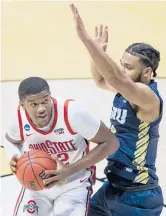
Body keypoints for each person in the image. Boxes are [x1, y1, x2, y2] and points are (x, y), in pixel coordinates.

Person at [70, 3, 164, 216]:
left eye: (128, 68)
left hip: (139, 196)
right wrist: (99, 52)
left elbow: (115, 78)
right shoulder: (127, 91)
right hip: (113, 188)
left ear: (148, 72)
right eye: (122, 64)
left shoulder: (148, 97)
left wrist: (86, 41)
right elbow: (101, 79)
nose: (122, 70)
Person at [4, 76, 119, 216]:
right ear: (23, 105)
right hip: (37, 184)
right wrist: (14, 157)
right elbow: (10, 140)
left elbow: (111, 143)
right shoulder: (18, 119)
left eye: (45, 101)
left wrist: (68, 170)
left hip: (73, 183)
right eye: (33, 104)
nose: (41, 108)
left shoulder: (72, 113)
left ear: (50, 97)